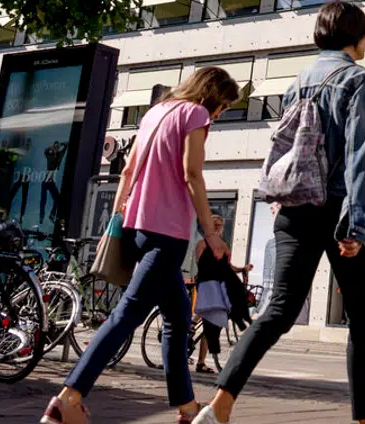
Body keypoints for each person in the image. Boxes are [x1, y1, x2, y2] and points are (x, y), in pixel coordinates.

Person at [194, 2, 365, 424]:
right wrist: (355, 224)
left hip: (294, 209)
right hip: (338, 208)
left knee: (277, 311)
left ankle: (220, 404)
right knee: (362, 321)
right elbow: (359, 157)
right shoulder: (359, 80)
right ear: (356, 35)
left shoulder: (297, 83)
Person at [42, 67, 240, 424]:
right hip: (167, 233)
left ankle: (187, 409)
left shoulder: (155, 112)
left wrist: (118, 216)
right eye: (223, 105)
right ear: (211, 95)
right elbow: (192, 173)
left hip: (137, 226)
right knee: (127, 315)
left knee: (178, 318)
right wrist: (210, 232)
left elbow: (128, 171)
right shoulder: (195, 114)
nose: (220, 113)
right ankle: (68, 397)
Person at [194, 215, 252, 375]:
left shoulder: (221, 246)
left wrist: (242, 269)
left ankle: (200, 360)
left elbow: (228, 266)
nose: (219, 228)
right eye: (216, 225)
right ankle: (193, 327)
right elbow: (202, 265)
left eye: (220, 225)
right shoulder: (203, 244)